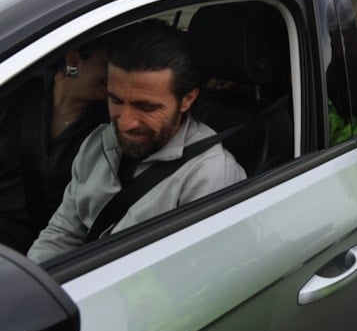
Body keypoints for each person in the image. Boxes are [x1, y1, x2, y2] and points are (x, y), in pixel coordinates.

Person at [28, 19, 246, 263]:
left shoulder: (210, 176)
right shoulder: (97, 143)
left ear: (187, 99)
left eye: (146, 107)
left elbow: (197, 271)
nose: (125, 123)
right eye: (115, 100)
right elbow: (62, 234)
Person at [0, 38, 109, 254]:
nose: (115, 74)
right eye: (108, 63)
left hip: (39, 254)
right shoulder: (16, 87)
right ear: (73, 60)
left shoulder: (110, 122)